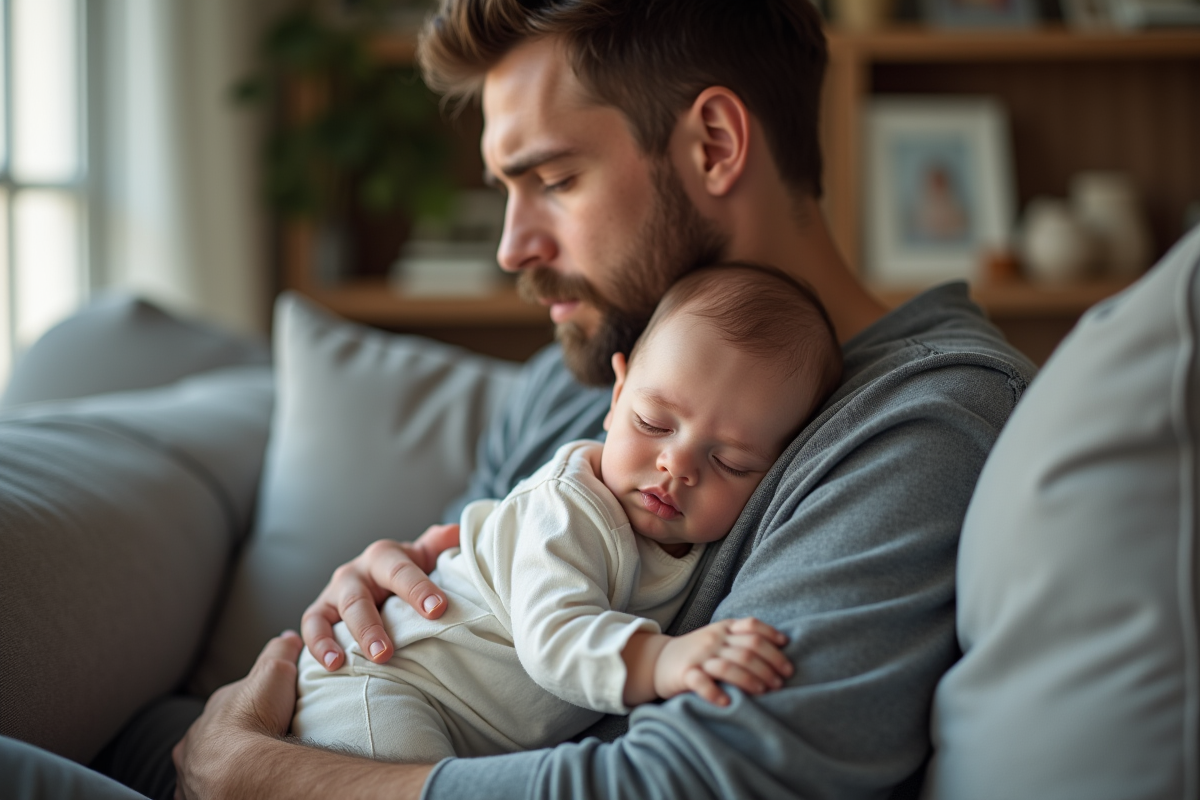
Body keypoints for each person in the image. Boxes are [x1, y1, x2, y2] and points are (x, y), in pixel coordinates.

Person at [170, 1, 1037, 797]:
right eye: (503, 190)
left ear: (714, 145)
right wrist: (379, 602)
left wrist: (267, 776)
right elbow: (449, 642)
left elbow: (702, 783)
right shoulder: (576, 377)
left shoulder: (923, 423)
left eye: (552, 179)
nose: (511, 248)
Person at [291, 263, 841, 763]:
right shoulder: (567, 508)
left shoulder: (708, 538)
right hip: (376, 681)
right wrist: (665, 662)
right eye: (653, 423)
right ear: (617, 394)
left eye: (730, 462)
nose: (676, 466)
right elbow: (556, 636)